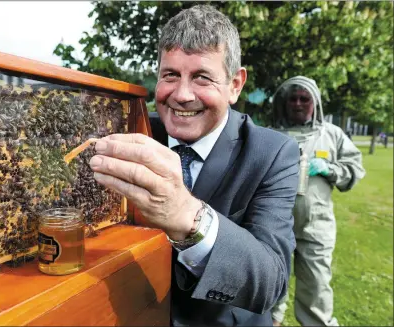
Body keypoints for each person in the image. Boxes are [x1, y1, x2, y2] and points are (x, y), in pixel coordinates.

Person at [89, 5, 299, 326]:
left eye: (202, 77)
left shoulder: (273, 153)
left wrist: (188, 217)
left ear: (235, 84)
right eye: (170, 75)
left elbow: (271, 283)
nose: (182, 95)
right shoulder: (132, 132)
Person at [269, 76, 366, 326]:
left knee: (316, 287)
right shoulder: (270, 135)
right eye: (293, 98)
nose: (298, 104)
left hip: (316, 226)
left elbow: (354, 168)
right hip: (274, 225)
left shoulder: (332, 135)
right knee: (270, 284)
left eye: (305, 99)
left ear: (315, 102)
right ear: (284, 102)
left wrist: (330, 169)